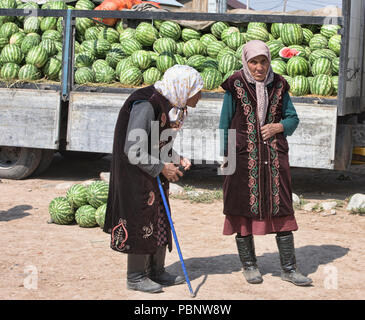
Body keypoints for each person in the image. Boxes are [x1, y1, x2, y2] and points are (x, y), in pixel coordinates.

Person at [219, 40, 312, 286]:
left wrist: (279, 126)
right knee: (240, 208)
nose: (259, 67)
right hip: (241, 158)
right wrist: (225, 156)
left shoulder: (279, 85)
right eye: (254, 62)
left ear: (269, 61)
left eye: (263, 61)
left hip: (273, 158)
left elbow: (293, 117)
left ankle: (289, 269)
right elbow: (224, 122)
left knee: (281, 207)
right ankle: (249, 266)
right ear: (246, 62)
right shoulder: (235, 84)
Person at [103, 65, 203, 293]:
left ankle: (156, 271)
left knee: (159, 217)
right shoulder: (147, 104)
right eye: (197, 90)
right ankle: (136, 276)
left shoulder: (171, 104)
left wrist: (176, 157)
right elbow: (134, 149)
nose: (200, 96)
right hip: (135, 173)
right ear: (183, 88)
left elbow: (157, 141)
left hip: (152, 169)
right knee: (141, 218)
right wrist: (161, 167)